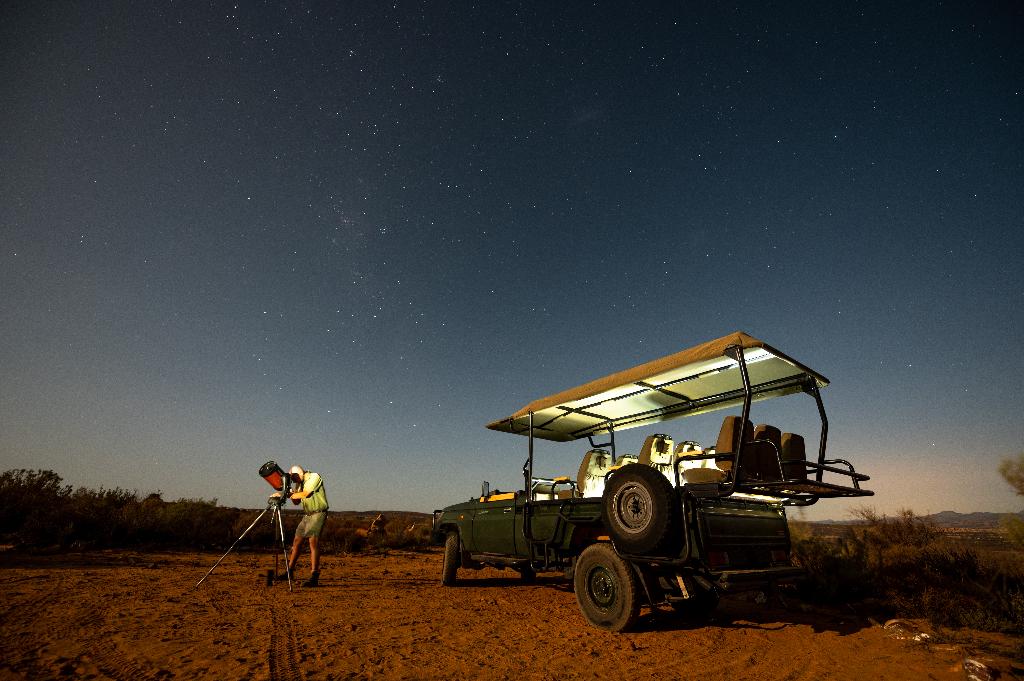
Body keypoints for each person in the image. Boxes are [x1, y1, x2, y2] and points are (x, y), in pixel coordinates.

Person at [276, 465, 329, 587]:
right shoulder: (299, 484)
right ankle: (290, 572)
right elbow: (296, 502)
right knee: (297, 541)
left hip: (318, 512)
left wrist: (284, 494)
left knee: (313, 542)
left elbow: (307, 494)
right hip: (307, 514)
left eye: (294, 479)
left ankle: (314, 576)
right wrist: (288, 492)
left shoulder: (314, 477)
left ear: (297, 474)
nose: (294, 481)